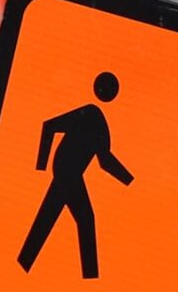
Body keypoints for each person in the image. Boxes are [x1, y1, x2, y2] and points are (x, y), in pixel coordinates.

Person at [18, 71, 132, 278]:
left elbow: (104, 161)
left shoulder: (99, 122)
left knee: (50, 217)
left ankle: (23, 264)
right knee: (84, 218)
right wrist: (40, 165)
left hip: (68, 173)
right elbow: (49, 126)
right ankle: (90, 276)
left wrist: (129, 181)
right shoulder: (90, 114)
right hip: (66, 172)